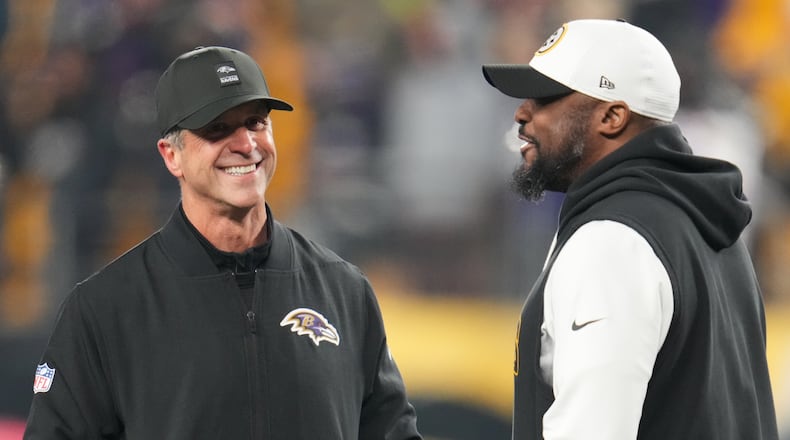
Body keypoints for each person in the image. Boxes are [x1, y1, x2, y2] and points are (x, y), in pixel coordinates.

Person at [23, 46, 422, 440]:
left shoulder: (343, 291)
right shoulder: (105, 309)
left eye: (256, 123)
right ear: (171, 155)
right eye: (218, 128)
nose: (246, 144)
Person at [482, 19, 778, 439]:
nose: (522, 112)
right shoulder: (713, 228)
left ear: (613, 116)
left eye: (546, 97)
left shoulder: (612, 239)